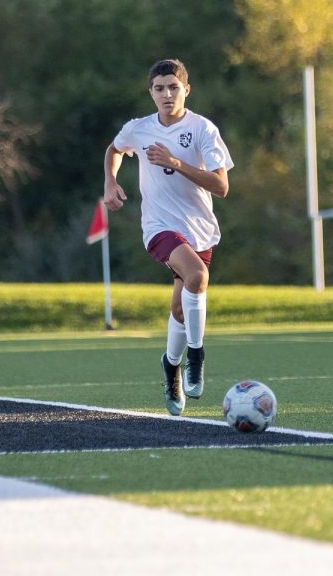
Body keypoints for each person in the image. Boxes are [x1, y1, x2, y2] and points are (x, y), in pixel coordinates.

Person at [103, 59, 233, 416]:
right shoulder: (140, 129)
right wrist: (110, 182)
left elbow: (221, 186)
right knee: (197, 277)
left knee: (180, 306)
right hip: (159, 226)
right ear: (151, 93)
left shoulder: (203, 130)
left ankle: (171, 368)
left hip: (200, 229)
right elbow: (115, 149)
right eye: (159, 88)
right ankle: (196, 355)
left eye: (173, 87)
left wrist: (176, 163)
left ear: (186, 90)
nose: (166, 94)